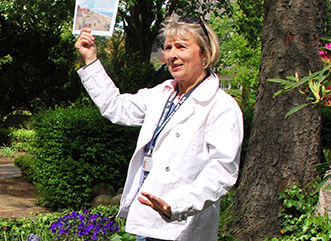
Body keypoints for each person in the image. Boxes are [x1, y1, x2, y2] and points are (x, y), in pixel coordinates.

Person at [73, 16, 243, 241]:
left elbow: (222, 170)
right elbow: (116, 107)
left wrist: (177, 205)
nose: (172, 55)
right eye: (168, 47)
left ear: (205, 53)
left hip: (184, 228)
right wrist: (91, 59)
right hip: (148, 223)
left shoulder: (222, 106)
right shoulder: (162, 94)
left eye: (182, 46)